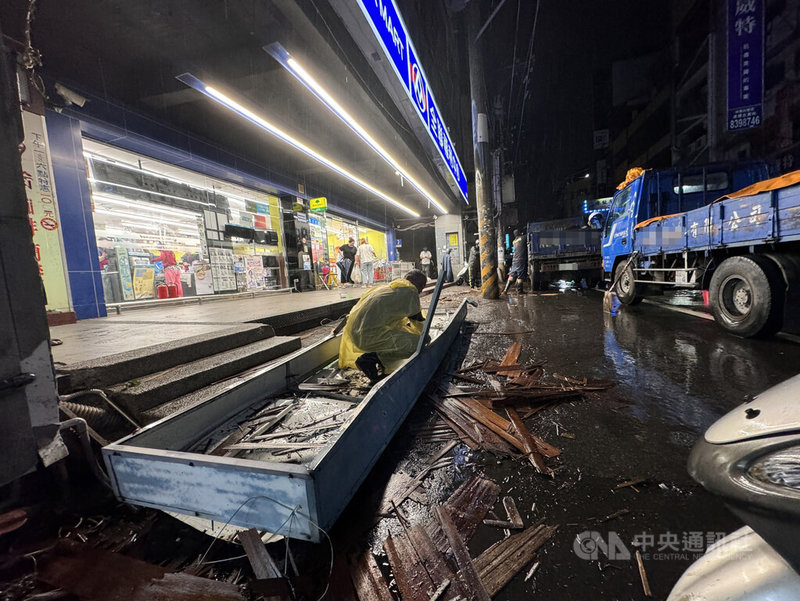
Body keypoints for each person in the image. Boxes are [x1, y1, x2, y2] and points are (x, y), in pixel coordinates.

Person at [339, 269, 428, 381]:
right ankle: (369, 359)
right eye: (420, 285)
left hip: (355, 333)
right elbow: (418, 319)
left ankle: (378, 364)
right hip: (368, 336)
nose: (420, 290)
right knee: (418, 343)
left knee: (401, 336)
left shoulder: (386, 288)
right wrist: (427, 336)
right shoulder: (409, 290)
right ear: (409, 279)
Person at [503, 229, 528, 294]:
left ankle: (505, 290)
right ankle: (520, 291)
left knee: (512, 275)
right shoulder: (523, 238)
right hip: (521, 259)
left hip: (514, 260)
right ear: (520, 233)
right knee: (520, 276)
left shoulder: (514, 241)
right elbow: (528, 236)